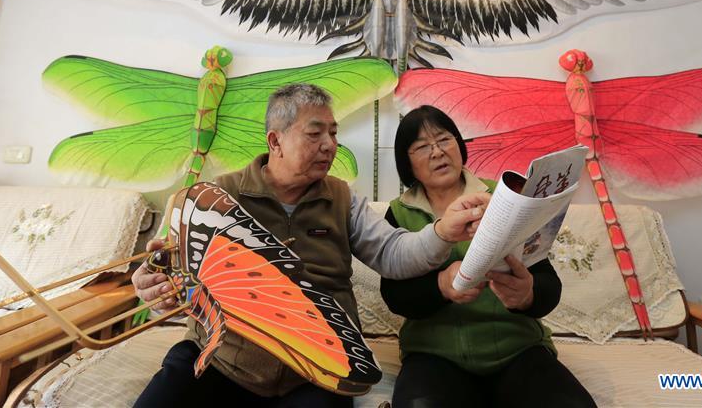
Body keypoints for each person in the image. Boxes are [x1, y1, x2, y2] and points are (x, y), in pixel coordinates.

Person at [131, 85, 488, 407]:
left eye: (333, 133)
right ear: (275, 141)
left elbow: (394, 254)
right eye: (315, 134)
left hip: (318, 369)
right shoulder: (219, 197)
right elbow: (173, 280)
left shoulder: (341, 197)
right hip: (224, 360)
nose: (330, 144)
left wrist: (442, 231)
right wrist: (152, 281)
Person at [381, 105, 596, 408]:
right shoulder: (399, 213)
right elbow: (394, 295)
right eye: (421, 147)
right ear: (407, 164)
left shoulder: (506, 196)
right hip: (433, 354)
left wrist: (528, 293)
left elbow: (549, 284)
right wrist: (441, 285)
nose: (437, 152)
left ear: (458, 144)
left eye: (444, 140)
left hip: (517, 349)